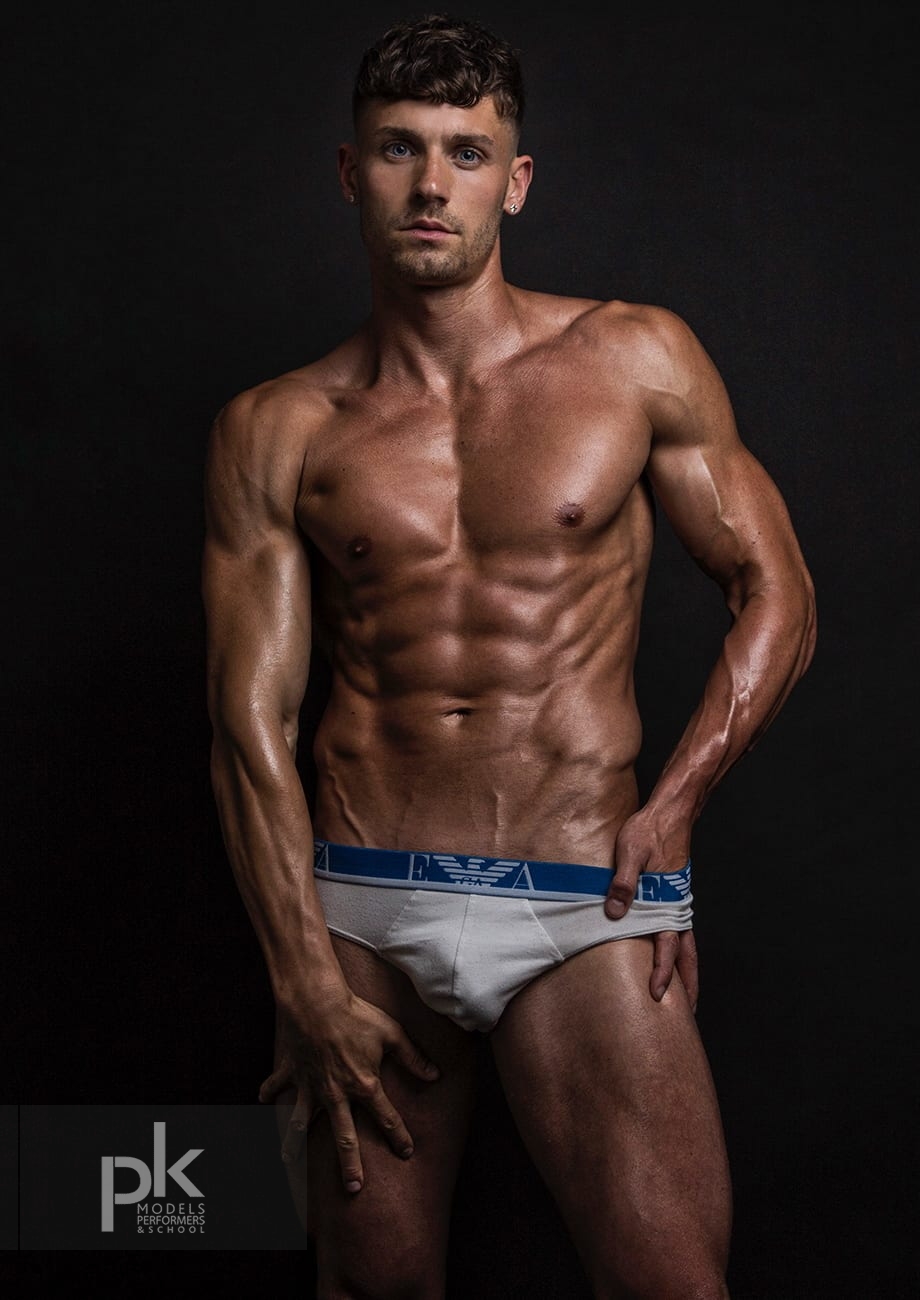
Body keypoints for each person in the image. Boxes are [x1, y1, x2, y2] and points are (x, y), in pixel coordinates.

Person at [202, 13, 816, 1298]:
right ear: (349, 172)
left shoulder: (633, 360)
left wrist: (678, 800)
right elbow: (246, 722)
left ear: (514, 181)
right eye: (399, 148)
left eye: (466, 153)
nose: (432, 183)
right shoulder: (278, 426)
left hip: (582, 896)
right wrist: (300, 976)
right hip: (361, 905)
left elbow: (777, 590)